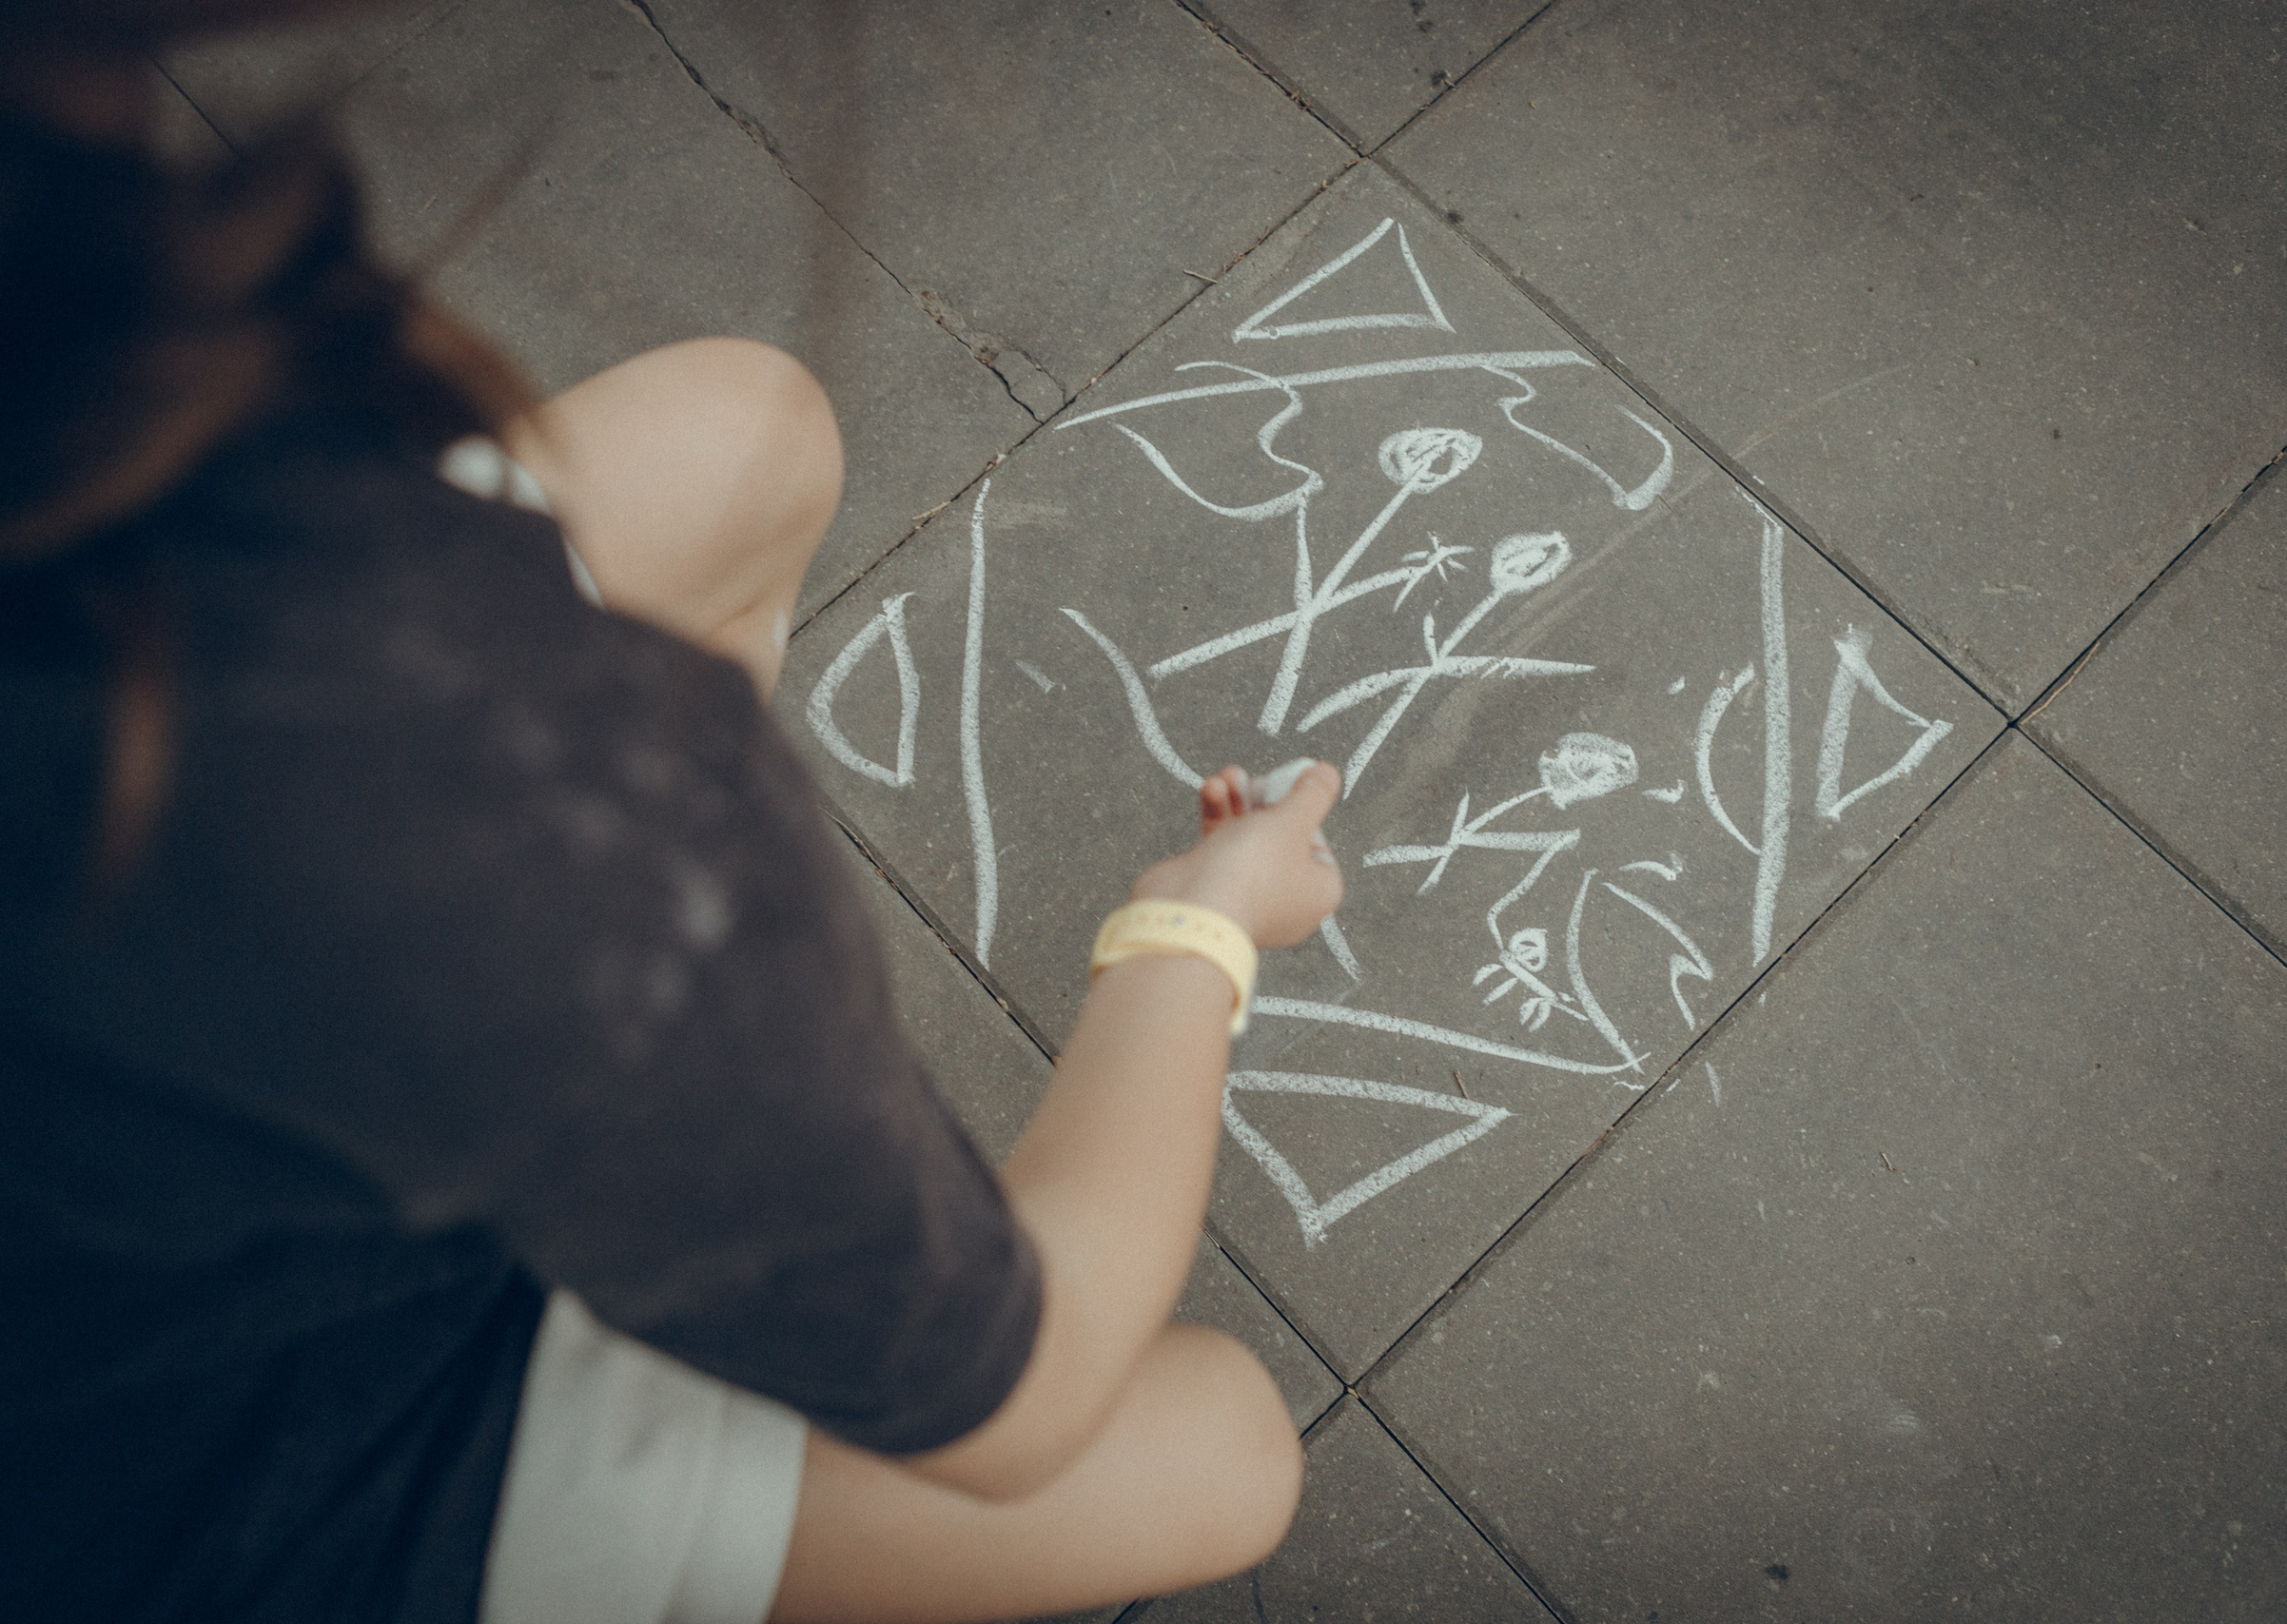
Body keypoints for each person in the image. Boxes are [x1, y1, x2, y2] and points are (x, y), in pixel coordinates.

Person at [0, 3, 1339, 1619]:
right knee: (1227, 1446)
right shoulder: (450, 790)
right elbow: (1025, 1395)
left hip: (138, 1175)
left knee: (742, 434)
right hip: (222, 1478)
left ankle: (677, 1124)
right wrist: (1200, 926)